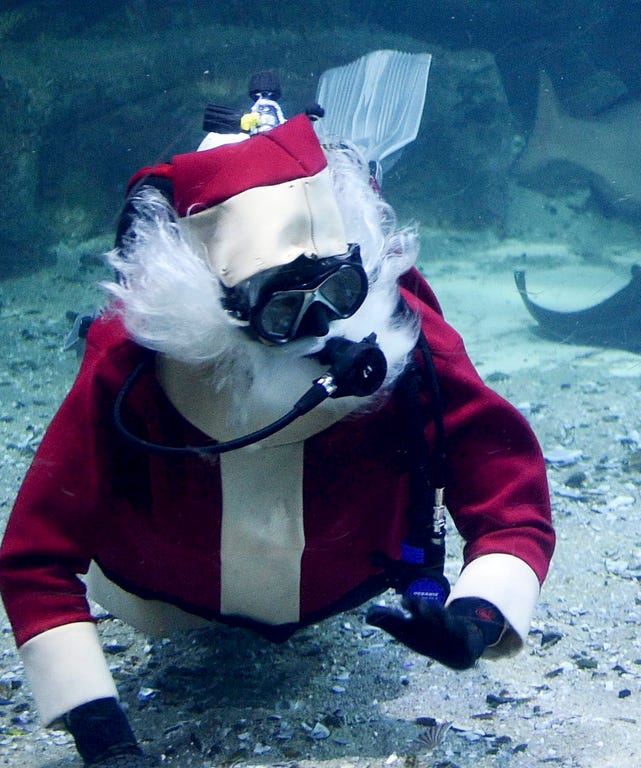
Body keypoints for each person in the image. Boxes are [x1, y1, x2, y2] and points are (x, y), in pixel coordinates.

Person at [0, 78, 555, 767]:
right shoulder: (131, 367)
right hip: (163, 600)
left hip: (353, 581)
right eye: (283, 311)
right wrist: (101, 733)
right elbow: (35, 555)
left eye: (341, 290)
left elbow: (508, 489)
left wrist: (479, 613)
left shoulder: (402, 333)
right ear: (216, 304)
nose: (322, 326)